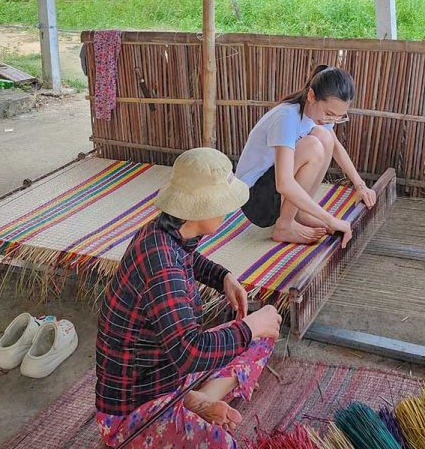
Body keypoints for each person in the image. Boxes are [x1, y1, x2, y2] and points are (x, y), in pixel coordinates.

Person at [95, 147, 282, 448]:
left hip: (165, 374)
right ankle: (186, 402)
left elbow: (189, 258)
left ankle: (197, 399)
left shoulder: (162, 232)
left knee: (263, 333)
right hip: (133, 412)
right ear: (202, 209)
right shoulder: (163, 268)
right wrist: (250, 326)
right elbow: (189, 353)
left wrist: (223, 277)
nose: (226, 211)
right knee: (226, 445)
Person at [235, 65, 377, 247]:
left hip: (273, 194)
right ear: (311, 96)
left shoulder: (315, 115)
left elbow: (336, 147)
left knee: (325, 138)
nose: (331, 120)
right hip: (255, 200)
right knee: (313, 146)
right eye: (329, 114)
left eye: (339, 117)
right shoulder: (287, 117)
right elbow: (283, 183)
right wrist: (330, 220)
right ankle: (284, 225)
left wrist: (360, 186)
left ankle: (299, 213)